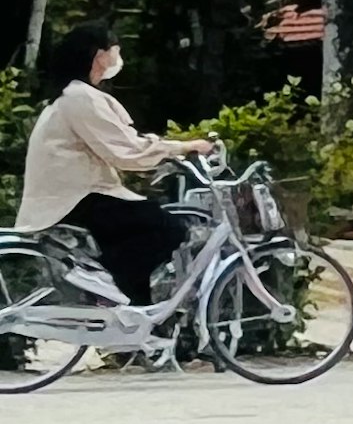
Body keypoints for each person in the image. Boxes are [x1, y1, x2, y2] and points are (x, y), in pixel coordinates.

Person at [15, 24, 215, 304]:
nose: (118, 55)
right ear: (99, 55)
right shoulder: (80, 97)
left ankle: (139, 329)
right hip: (76, 197)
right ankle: (101, 277)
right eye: (115, 48)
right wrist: (185, 147)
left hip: (72, 196)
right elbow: (126, 150)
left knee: (137, 246)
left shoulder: (71, 96)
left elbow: (125, 142)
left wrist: (164, 151)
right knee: (170, 230)